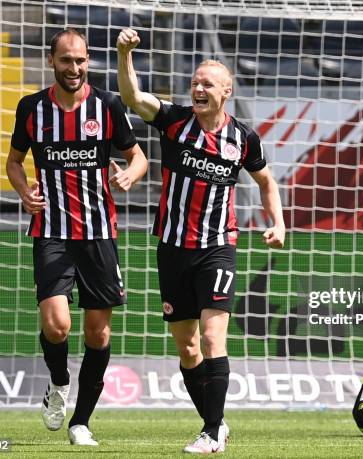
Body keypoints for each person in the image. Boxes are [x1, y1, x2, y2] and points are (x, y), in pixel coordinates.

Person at [116, 28, 286, 453]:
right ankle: (216, 422)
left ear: (226, 91)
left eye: (207, 83)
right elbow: (134, 97)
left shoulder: (242, 138)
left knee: (212, 340)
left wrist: (278, 223)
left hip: (217, 246)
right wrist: (123, 55)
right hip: (172, 248)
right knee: (188, 349)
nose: (197, 87)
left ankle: (210, 434)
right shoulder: (174, 121)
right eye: (194, 82)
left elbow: (266, 182)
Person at [6, 28, 148, 446]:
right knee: (56, 325)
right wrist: (22, 191)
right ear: (52, 61)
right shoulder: (31, 108)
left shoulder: (107, 105)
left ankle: (80, 422)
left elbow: (136, 155)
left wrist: (130, 173)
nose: (75, 68)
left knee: (98, 334)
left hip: (98, 233)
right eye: (66, 60)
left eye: (81, 60)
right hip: (51, 230)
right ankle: (58, 382)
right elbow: (14, 162)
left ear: (88, 61)